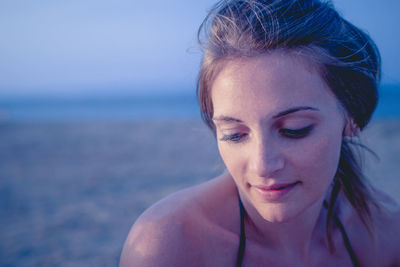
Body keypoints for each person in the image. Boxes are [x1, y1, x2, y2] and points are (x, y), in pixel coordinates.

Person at [120, 0, 400, 266]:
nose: (263, 165)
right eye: (234, 134)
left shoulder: (386, 234)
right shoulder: (171, 248)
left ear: (352, 119)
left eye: (294, 130)